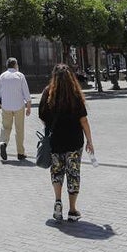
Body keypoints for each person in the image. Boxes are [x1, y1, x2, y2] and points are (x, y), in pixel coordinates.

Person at [37, 64, 94, 223]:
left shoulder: (48, 92)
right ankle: (72, 210)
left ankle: (57, 201)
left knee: (57, 172)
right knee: (73, 174)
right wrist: (89, 141)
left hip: (55, 141)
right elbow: (83, 120)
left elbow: (42, 116)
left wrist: (51, 125)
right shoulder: (74, 93)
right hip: (74, 142)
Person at [0, 57, 32, 161]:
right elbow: (26, 92)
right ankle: (20, 153)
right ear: (15, 65)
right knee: (19, 129)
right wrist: (28, 107)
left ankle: (3, 143)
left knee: (6, 127)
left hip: (6, 106)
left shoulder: (2, 76)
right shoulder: (20, 76)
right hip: (19, 106)